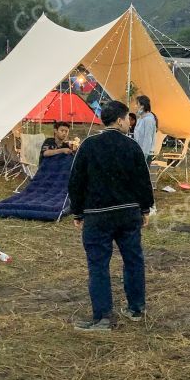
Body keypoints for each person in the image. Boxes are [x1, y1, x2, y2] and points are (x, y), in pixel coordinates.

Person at [68, 100, 154, 331]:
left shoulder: (89, 145)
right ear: (119, 120)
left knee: (98, 265)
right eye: (127, 119)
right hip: (128, 214)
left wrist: (77, 211)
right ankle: (136, 308)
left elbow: (76, 180)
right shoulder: (132, 146)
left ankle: (103, 317)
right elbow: (143, 180)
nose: (129, 123)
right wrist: (145, 208)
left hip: (97, 216)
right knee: (133, 260)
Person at [133, 95, 157, 163]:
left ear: (142, 106)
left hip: (145, 154)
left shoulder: (148, 120)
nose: (135, 106)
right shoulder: (141, 119)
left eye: (137, 104)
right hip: (139, 152)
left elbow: (147, 139)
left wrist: (143, 156)